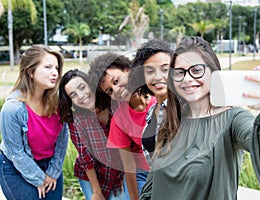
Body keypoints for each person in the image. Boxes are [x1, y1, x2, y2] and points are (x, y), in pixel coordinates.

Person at [142, 36, 260, 200]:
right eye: (180, 73)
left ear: (213, 72)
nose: (187, 79)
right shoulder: (172, 120)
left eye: (196, 70)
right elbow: (152, 186)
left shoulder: (232, 119)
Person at [0, 45, 69, 200]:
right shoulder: (12, 108)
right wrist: (39, 179)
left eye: (56, 68)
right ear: (31, 72)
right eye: (48, 67)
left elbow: (63, 140)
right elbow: (16, 152)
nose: (55, 73)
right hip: (15, 167)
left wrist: (52, 173)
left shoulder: (60, 102)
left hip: (49, 164)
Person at [88, 52, 156, 200]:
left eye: (116, 80)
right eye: (110, 91)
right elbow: (129, 168)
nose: (116, 89)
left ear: (128, 69)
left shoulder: (158, 93)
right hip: (142, 174)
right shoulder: (119, 121)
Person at [58, 69, 126, 200]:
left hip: (121, 171)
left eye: (82, 87)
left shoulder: (115, 104)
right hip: (93, 176)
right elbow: (86, 158)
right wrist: (96, 191)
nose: (81, 96)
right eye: (73, 95)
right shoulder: (77, 120)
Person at [129, 39, 172, 163]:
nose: (157, 77)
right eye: (150, 71)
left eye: (165, 69)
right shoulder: (152, 111)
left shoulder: (185, 109)